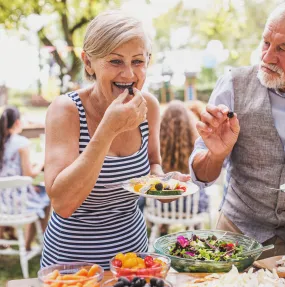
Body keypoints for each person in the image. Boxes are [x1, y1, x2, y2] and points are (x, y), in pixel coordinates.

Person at [41, 10, 189, 269]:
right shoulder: (65, 110)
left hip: (133, 260)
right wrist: (108, 130)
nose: (129, 74)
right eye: (116, 61)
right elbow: (63, 203)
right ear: (88, 63)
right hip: (72, 265)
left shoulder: (149, 106)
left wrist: (163, 183)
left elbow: (153, 164)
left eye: (138, 61)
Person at [190, 0, 285, 258]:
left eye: (283, 48)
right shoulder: (233, 85)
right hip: (236, 241)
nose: (267, 56)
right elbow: (201, 176)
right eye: (266, 42)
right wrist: (215, 155)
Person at [0, 106, 50, 251]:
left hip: (1, 201)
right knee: (45, 195)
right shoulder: (21, 142)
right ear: (17, 123)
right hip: (16, 202)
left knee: (33, 190)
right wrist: (41, 162)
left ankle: (4, 238)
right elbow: (29, 174)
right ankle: (28, 245)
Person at [158, 100, 209, 235]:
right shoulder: (196, 144)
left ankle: (163, 228)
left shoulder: (156, 145)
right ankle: (194, 230)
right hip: (192, 206)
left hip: (160, 207)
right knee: (199, 190)